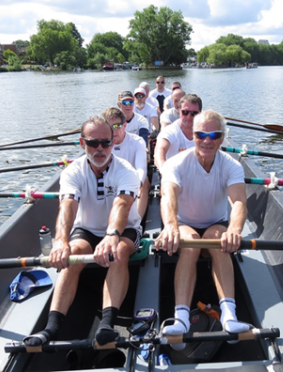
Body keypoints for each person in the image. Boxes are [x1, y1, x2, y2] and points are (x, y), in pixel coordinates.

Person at [23, 115, 142, 347]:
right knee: (72, 254)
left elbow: (121, 205)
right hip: (86, 229)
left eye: (106, 143)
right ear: (81, 143)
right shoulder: (72, 172)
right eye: (92, 143)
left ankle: (107, 325)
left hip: (123, 229)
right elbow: (67, 206)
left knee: (117, 253)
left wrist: (111, 235)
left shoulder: (126, 171)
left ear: (113, 143)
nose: (100, 149)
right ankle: (51, 328)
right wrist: (60, 241)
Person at [155, 109, 251, 350]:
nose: (207, 141)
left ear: (222, 138)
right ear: (192, 135)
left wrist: (235, 230)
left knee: (219, 240)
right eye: (201, 135)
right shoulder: (176, 163)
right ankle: (181, 318)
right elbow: (168, 196)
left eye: (214, 135)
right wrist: (170, 226)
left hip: (215, 224)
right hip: (185, 224)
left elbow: (239, 202)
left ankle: (229, 317)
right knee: (190, 244)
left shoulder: (231, 165)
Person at [103, 107, 150, 218]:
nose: (113, 131)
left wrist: (138, 183)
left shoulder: (137, 142)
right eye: (110, 127)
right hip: (111, 180)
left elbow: (141, 168)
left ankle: (136, 221)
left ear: (124, 125)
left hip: (132, 179)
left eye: (117, 126)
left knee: (145, 182)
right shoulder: (102, 144)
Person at [154, 93, 201, 171]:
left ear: (200, 113)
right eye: (185, 112)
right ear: (179, 111)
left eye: (194, 113)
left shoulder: (205, 132)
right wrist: (165, 172)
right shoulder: (170, 131)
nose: (189, 117)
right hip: (174, 176)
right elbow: (159, 152)